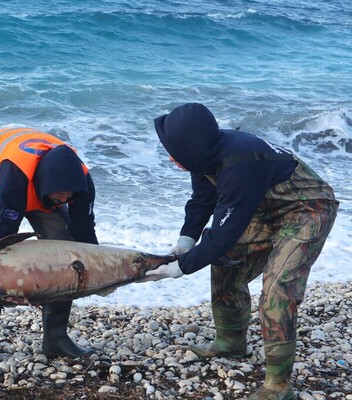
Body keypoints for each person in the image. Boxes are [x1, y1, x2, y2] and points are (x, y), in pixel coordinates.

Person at [145, 103, 338, 400]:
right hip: (262, 207)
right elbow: (202, 200)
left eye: (175, 151)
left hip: (307, 210)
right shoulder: (205, 153)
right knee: (227, 261)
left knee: (277, 289)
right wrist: (186, 239)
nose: (171, 158)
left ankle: (278, 385)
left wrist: (178, 269)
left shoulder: (239, 164)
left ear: (190, 149)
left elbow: (223, 234)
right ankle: (230, 341)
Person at [0, 127, 98, 368]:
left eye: (69, 197)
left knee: (65, 252)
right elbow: (4, 236)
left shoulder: (80, 183)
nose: (65, 200)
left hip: (42, 185)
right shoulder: (15, 174)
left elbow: (85, 231)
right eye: (61, 196)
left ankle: (55, 337)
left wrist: (97, 273)